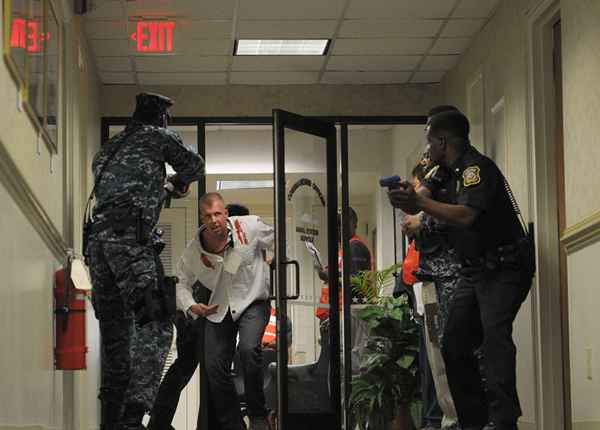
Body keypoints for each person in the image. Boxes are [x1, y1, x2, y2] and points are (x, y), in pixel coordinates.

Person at [388, 110, 535, 430]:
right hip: (475, 270)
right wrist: (405, 198)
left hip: (506, 267)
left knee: (494, 338)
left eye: (430, 140)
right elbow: (418, 203)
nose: (427, 148)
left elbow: (467, 215)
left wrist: (420, 204)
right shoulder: (440, 172)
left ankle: (504, 420)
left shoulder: (475, 169)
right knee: (454, 343)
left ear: (443, 140)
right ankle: (473, 421)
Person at [86, 92, 204, 430]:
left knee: (117, 337)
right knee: (156, 326)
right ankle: (133, 418)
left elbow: (128, 191)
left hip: (98, 246)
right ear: (163, 118)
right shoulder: (158, 137)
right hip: (129, 242)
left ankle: (112, 421)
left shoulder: (107, 151)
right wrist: (179, 182)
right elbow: (195, 165)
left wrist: (162, 188)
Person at [148, 202, 254, 430]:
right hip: (197, 311)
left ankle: (165, 421)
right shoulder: (223, 246)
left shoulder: (218, 244)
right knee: (200, 367)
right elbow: (230, 274)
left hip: (195, 309)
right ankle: (163, 422)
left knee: (196, 368)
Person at [176, 193, 274, 430]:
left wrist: (271, 259)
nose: (214, 220)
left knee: (249, 350)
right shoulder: (193, 251)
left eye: (218, 214)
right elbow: (181, 282)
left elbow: (277, 240)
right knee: (214, 366)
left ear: (226, 214)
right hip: (219, 307)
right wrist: (191, 305)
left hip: (253, 301)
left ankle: (258, 415)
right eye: (208, 216)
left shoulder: (249, 227)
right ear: (202, 218)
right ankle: (232, 424)